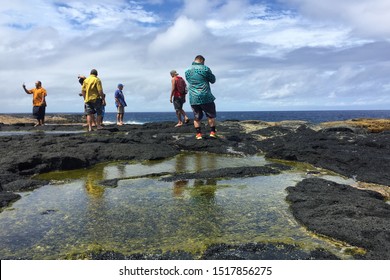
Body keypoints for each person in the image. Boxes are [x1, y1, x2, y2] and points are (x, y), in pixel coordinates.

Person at [185, 55, 217, 139]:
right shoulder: (205, 68)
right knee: (210, 115)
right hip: (205, 96)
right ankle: (212, 133)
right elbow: (213, 80)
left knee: (196, 117)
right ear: (202, 61)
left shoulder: (187, 70)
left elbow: (189, 81)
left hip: (193, 97)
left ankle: (198, 134)